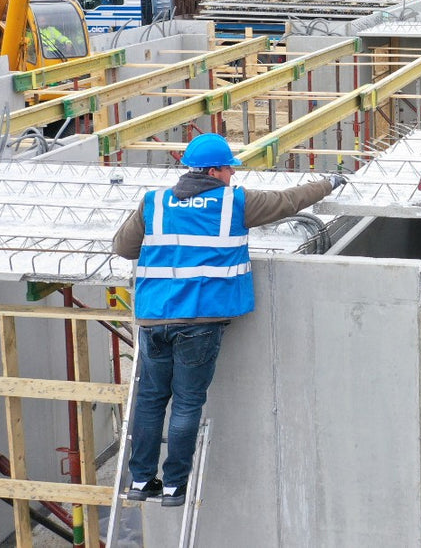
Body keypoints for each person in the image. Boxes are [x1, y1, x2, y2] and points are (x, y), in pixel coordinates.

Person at [112, 133, 348, 506]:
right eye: (228, 169)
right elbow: (287, 202)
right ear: (213, 170)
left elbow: (123, 248)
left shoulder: (154, 202)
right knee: (188, 402)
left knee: (151, 399)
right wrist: (328, 182)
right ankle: (174, 485)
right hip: (199, 321)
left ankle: (142, 481)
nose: (232, 176)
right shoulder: (233, 203)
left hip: (154, 319)